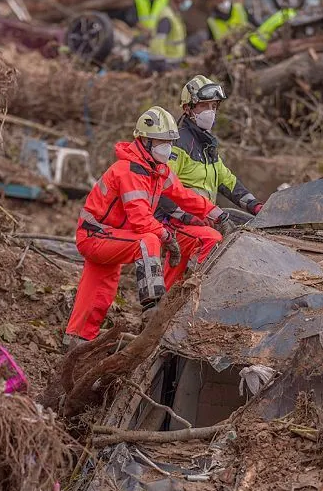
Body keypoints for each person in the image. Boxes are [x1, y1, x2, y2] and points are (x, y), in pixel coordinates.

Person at [64, 106, 229, 348]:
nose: (168, 147)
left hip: (110, 236)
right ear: (145, 140)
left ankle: (76, 341)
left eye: (170, 142)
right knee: (147, 241)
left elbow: (185, 196)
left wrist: (219, 214)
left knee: (98, 294)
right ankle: (152, 307)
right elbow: (141, 220)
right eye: (162, 141)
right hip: (96, 236)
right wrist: (167, 237)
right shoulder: (129, 171)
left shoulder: (157, 171)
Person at [167, 75, 263, 217]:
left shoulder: (207, 145)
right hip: (185, 221)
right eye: (204, 106)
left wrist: (255, 206)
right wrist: (185, 218)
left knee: (249, 223)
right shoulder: (178, 143)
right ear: (187, 108)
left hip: (208, 216)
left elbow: (226, 181)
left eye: (213, 106)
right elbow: (163, 188)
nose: (210, 112)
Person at [148, 0, 193, 72]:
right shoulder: (167, 17)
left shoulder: (174, 15)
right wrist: (162, 66)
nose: (188, 1)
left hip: (173, 64)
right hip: (166, 66)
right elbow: (158, 43)